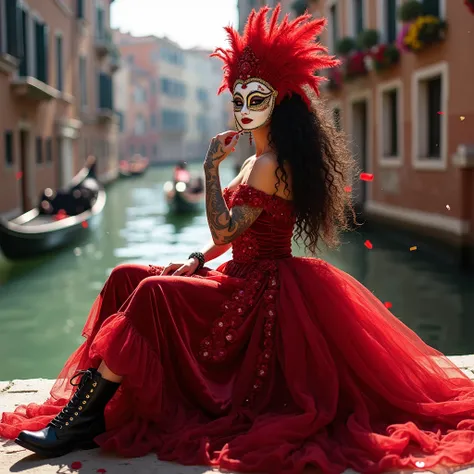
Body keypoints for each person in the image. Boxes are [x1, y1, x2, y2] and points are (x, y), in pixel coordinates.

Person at [2, 7, 474, 473]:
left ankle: (79, 422)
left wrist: (209, 169)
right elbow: (225, 240)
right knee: (127, 275)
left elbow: (225, 228)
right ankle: (95, 403)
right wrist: (193, 258)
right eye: (239, 100)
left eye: (256, 99)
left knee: (150, 291)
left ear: (280, 102)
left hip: (260, 292)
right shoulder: (256, 161)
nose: (244, 109)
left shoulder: (269, 165)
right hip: (239, 275)